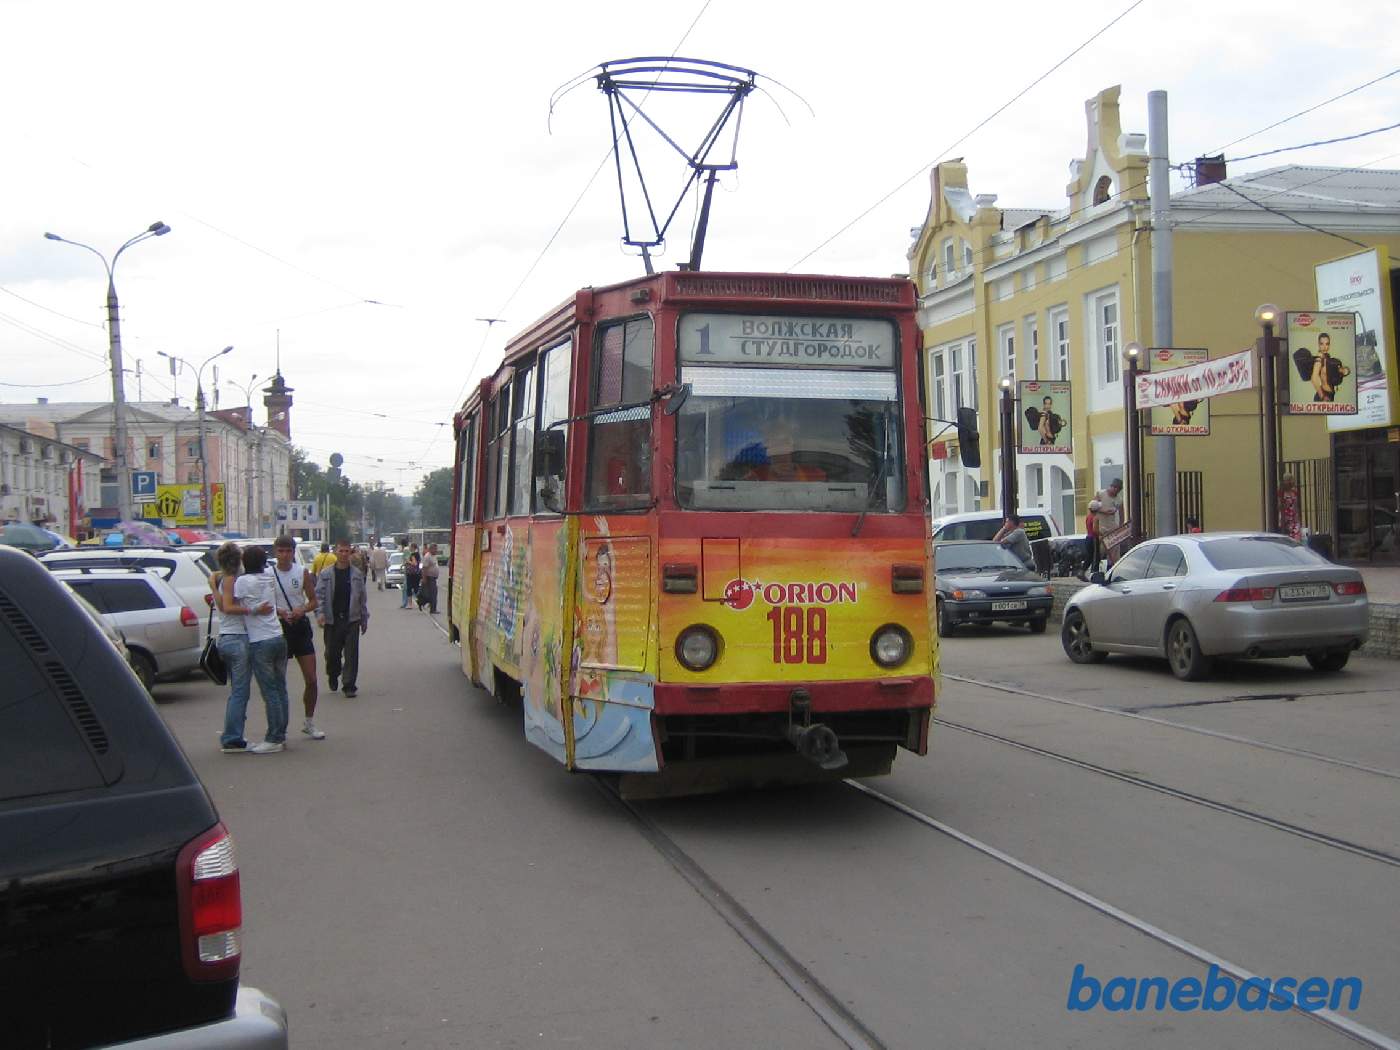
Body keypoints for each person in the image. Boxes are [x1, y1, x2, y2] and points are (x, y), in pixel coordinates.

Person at [235, 545, 291, 754]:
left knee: (269, 692)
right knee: (280, 687)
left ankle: (274, 738)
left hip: (260, 640)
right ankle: (281, 733)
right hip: (277, 635)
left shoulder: (242, 581)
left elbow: (233, 602)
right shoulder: (268, 577)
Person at [272, 534, 324, 740]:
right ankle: (278, 726)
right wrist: (280, 611)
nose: (284, 555)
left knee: (311, 678)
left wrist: (301, 610)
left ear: (294, 553)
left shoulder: (301, 572)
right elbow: (264, 602)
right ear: (275, 552)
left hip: (299, 627)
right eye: (281, 551)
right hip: (279, 627)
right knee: (278, 681)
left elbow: (313, 600)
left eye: (288, 551)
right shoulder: (269, 574)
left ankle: (309, 721)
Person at [211, 542, 260, 754]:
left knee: (237, 692)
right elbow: (229, 607)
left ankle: (234, 734)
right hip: (237, 639)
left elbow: (221, 605)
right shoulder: (231, 579)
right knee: (240, 693)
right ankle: (232, 738)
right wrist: (254, 609)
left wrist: (212, 587)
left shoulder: (220, 579)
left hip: (226, 637)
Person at [317, 538, 369, 698]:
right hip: (332, 620)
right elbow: (319, 595)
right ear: (335, 551)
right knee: (331, 654)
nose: (344, 554)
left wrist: (364, 618)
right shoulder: (326, 574)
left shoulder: (357, 574)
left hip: (351, 619)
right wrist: (320, 613)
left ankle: (349, 685)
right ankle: (333, 674)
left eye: (347, 551)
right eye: (341, 551)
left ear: (350, 552)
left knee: (351, 654)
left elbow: (362, 597)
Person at [1310, 333, 1350, 403]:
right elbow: (1314, 378)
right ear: (1318, 344)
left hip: (1330, 395)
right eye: (1322, 344)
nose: (1325, 347)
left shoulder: (1327, 358)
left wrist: (1343, 370)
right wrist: (1322, 396)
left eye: (1327, 344)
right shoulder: (1319, 358)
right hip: (1323, 397)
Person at [1092, 479, 1123, 567]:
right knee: (1100, 552)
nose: (1115, 491)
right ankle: (1095, 570)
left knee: (1114, 553)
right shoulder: (1100, 494)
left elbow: (1121, 513)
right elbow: (1092, 507)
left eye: (1118, 490)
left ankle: (1111, 570)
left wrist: (1120, 527)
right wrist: (1105, 511)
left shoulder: (1119, 499)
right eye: (1114, 488)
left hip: (1112, 528)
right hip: (1100, 528)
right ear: (1111, 486)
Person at [1278, 474, 1302, 542]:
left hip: (1294, 517)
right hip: (1285, 518)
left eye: (1291, 480)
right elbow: (1279, 506)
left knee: (1296, 536)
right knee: (1286, 537)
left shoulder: (1294, 492)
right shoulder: (1280, 492)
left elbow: (1296, 504)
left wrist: (1297, 516)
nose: (1290, 482)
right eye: (1288, 480)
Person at [418, 543, 441, 613]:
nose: (436, 550)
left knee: (431, 593)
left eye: (436, 549)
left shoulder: (434, 556)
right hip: (429, 577)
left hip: (433, 577)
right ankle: (433, 609)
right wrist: (424, 578)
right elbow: (424, 568)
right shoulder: (427, 556)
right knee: (433, 593)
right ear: (431, 549)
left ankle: (422, 602)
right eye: (435, 549)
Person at [400, 544, 421, 609]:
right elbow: (419, 564)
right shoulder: (418, 554)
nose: (409, 548)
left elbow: (414, 563)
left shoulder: (413, 555)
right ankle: (420, 602)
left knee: (409, 589)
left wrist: (408, 561)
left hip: (411, 574)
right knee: (416, 588)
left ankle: (410, 604)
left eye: (410, 547)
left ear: (413, 548)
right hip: (417, 573)